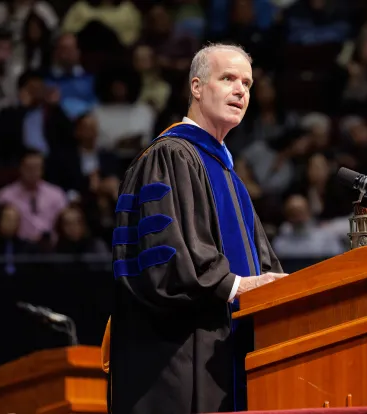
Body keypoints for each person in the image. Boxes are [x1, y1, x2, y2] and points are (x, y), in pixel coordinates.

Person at [102, 43, 287, 414]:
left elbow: (265, 269)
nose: (241, 90)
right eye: (228, 79)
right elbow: (164, 261)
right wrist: (237, 285)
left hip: (226, 356)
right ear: (197, 87)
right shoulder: (169, 156)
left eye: (247, 84)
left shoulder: (229, 177)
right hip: (177, 360)